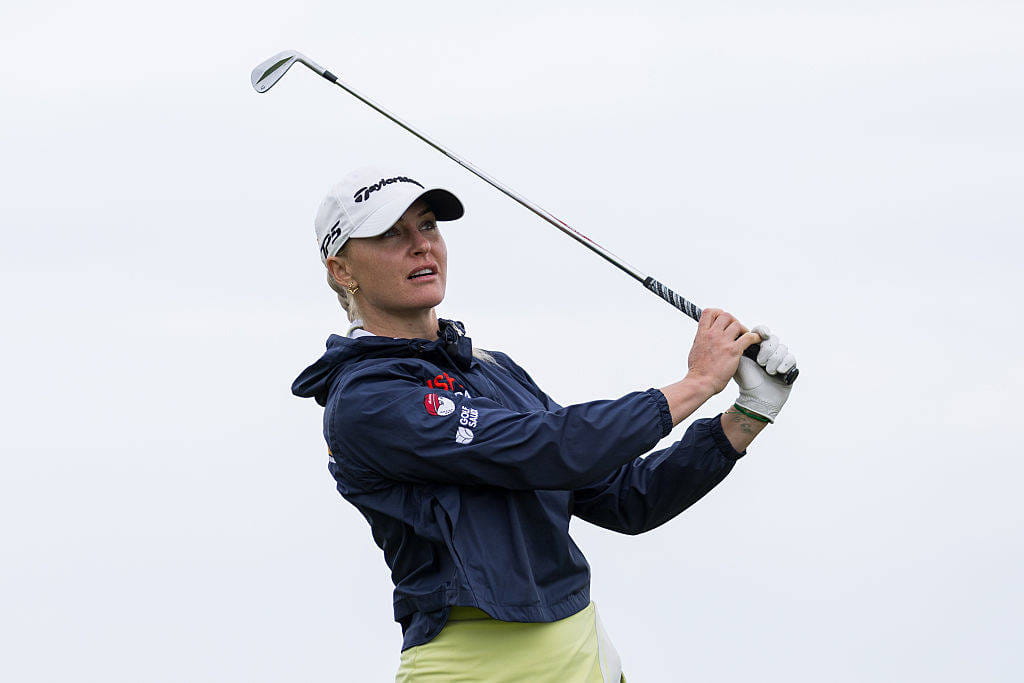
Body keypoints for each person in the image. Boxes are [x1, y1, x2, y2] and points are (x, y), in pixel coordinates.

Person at [292, 166, 797, 682]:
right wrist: (698, 383)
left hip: (580, 652)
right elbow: (544, 448)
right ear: (343, 270)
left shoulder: (491, 369)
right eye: (390, 234)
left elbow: (627, 497)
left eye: (427, 226)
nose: (421, 246)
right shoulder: (366, 399)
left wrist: (747, 415)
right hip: (468, 667)